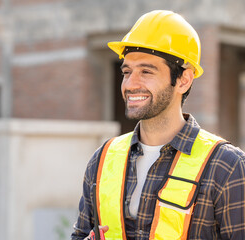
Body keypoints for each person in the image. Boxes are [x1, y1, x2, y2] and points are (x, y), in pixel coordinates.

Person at [71, 10, 245, 240]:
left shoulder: (227, 167)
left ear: (183, 79)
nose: (131, 84)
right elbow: (81, 234)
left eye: (146, 71)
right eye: (127, 71)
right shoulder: (103, 160)